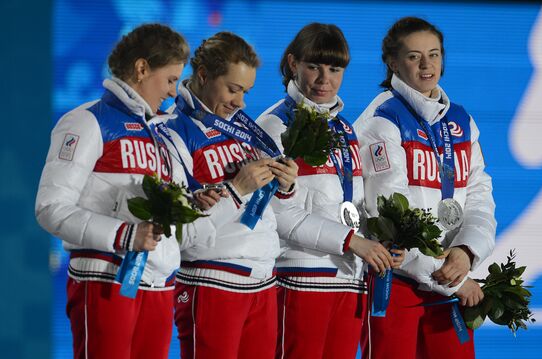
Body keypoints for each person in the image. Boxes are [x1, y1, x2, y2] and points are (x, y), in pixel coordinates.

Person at [35, 24, 225, 359]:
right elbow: (50, 208)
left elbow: (152, 202)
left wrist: (188, 204)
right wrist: (125, 235)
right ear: (141, 69)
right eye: (169, 80)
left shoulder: (159, 132)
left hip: (158, 282)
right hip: (106, 278)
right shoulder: (86, 122)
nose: (172, 91)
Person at [256, 23, 404, 359]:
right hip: (299, 277)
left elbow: (355, 203)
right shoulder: (275, 126)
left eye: (335, 69)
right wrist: (353, 241)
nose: (325, 79)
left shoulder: (345, 130)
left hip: (348, 277)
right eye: (314, 67)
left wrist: (379, 244)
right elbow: (275, 213)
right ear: (293, 64)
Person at [353, 17, 497, 359]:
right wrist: (455, 280)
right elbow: (388, 221)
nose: (426, 65)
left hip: (447, 281)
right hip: (399, 283)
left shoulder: (461, 121)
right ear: (392, 62)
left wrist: (466, 251)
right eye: (414, 56)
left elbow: (479, 196)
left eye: (433, 55)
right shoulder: (381, 121)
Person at [162, 31, 298, 359]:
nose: (241, 102)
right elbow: (179, 232)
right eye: (233, 89)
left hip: (264, 281)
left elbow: (272, 208)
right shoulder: (170, 132)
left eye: (246, 92)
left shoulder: (243, 128)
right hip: (212, 283)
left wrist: (287, 186)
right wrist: (237, 190)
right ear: (204, 75)